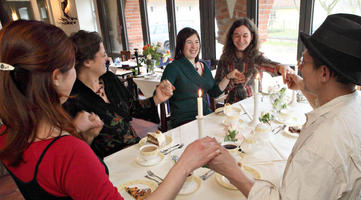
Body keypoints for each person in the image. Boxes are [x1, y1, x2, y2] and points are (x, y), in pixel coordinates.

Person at [0, 20, 221, 200]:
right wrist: (185, 165)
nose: (108, 58)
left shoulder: (8, 136)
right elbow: (72, 164)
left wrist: (83, 137)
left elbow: (62, 185)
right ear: (57, 77)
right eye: (71, 65)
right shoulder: (69, 149)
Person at [207, 14, 361, 199]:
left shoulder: (323, 145)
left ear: (324, 73)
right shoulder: (359, 107)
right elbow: (328, 107)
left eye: (303, 62)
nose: (298, 68)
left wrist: (230, 169)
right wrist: (301, 84)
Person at [63, 30, 174, 158]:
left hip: (135, 150)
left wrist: (156, 98)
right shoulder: (73, 97)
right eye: (103, 54)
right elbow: (75, 149)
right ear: (87, 62)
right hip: (108, 162)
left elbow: (132, 108)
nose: (107, 58)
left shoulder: (109, 79)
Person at [161, 27, 241, 128]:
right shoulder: (173, 67)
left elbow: (214, 92)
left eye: (197, 42)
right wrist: (164, 91)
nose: (194, 46)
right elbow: (160, 95)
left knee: (230, 129)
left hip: (205, 115)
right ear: (181, 45)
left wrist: (228, 77)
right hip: (185, 120)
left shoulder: (203, 65)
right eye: (189, 42)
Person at [215, 18, 293, 104]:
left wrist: (281, 67)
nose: (241, 40)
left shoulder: (256, 57)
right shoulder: (225, 58)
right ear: (232, 37)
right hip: (232, 107)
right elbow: (217, 88)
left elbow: (270, 64)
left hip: (254, 105)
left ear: (251, 37)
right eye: (237, 35)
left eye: (245, 36)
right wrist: (231, 80)